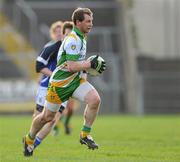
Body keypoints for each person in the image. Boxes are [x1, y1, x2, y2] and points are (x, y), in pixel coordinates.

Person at [23, 7, 106, 157]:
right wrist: (90, 64)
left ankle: (85, 134)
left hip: (74, 81)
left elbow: (77, 66)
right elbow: (72, 66)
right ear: (78, 22)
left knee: (95, 100)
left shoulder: (82, 37)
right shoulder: (73, 40)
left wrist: (88, 68)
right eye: (88, 21)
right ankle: (29, 139)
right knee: (46, 118)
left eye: (91, 21)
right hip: (59, 85)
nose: (91, 24)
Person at [32, 21, 74, 150]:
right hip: (47, 86)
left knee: (58, 116)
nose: (59, 34)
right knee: (39, 116)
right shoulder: (50, 47)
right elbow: (40, 65)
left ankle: (33, 144)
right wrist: (48, 76)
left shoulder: (72, 47)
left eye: (60, 31)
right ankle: (31, 138)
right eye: (56, 32)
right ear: (53, 34)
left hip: (64, 87)